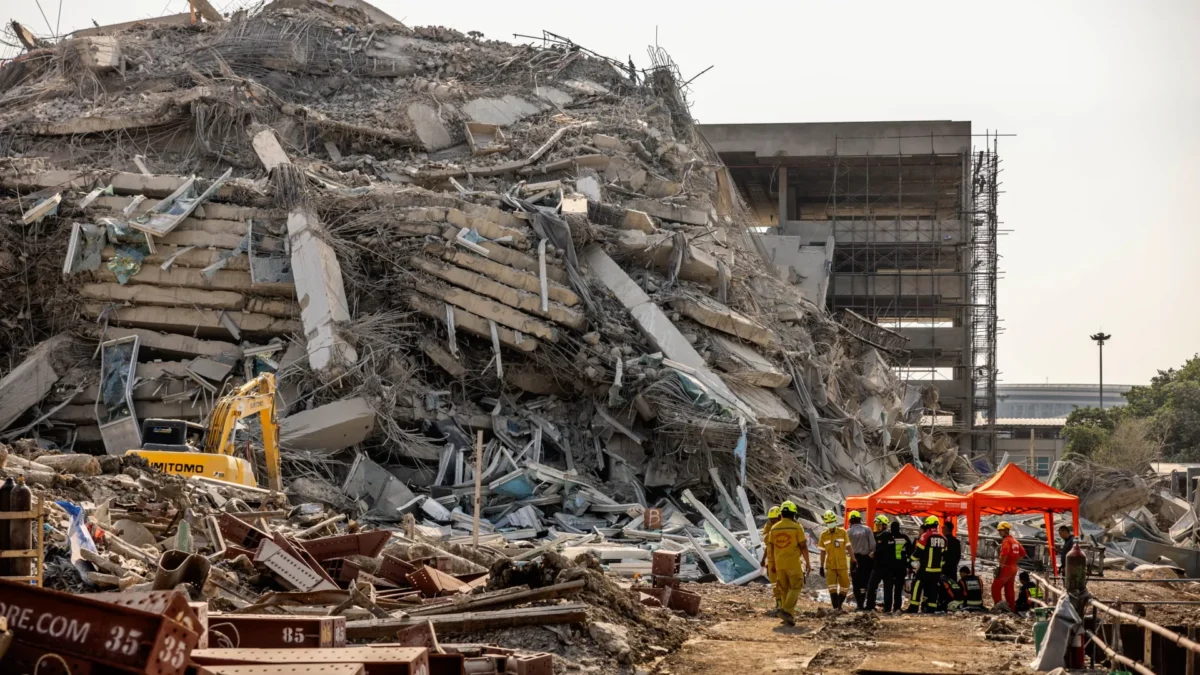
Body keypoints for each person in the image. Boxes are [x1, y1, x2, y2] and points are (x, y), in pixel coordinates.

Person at [768, 501, 811, 626]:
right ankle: (786, 610)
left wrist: (773, 564)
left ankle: (789, 616)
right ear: (793, 514)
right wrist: (808, 563)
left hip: (779, 563)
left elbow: (771, 547)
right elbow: (803, 546)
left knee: (784, 589)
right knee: (797, 586)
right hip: (793, 563)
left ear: (781, 514)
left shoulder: (774, 528)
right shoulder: (796, 527)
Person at [906, 516, 948, 613]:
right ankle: (931, 608)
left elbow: (918, 552)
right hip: (937, 570)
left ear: (928, 525)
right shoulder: (944, 538)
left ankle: (914, 607)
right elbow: (944, 556)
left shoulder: (925, 536)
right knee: (933, 589)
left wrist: (910, 561)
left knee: (917, 585)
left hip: (925, 569)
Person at [818, 510, 853, 611]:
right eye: (828, 523)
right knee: (832, 587)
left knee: (845, 585)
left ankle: (839, 605)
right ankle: (836, 607)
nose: (830, 524)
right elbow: (822, 552)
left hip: (842, 564)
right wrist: (821, 566)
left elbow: (849, 547)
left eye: (831, 522)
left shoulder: (842, 532)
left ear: (835, 521)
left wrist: (853, 559)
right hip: (830, 565)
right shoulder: (823, 535)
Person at [993, 521, 1026, 611]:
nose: (999, 532)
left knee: (995, 588)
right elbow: (1023, 553)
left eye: (1001, 530)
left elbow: (1005, 553)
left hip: (1006, 567)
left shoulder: (1006, 541)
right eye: (999, 530)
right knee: (1009, 589)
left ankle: (998, 607)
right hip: (1013, 567)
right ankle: (1012, 609)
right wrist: (1014, 561)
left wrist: (1001, 566)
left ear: (1006, 530)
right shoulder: (1014, 540)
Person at [847, 510, 876, 610]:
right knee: (866, 582)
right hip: (866, 560)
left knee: (856, 582)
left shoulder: (849, 532)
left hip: (854, 559)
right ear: (860, 519)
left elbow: (846, 547)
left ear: (850, 520)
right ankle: (866, 604)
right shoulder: (867, 529)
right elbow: (873, 545)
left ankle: (859, 605)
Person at [865, 515, 894, 612]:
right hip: (878, 566)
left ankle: (886, 607)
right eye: (876, 525)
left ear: (885, 525)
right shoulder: (876, 535)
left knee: (886, 588)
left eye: (879, 525)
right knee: (872, 586)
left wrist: (875, 554)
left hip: (884, 567)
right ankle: (870, 605)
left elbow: (884, 550)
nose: (877, 527)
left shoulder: (886, 535)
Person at [761, 506, 783, 616]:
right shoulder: (769, 527)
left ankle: (786, 605)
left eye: (775, 519)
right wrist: (763, 559)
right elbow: (766, 541)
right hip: (771, 559)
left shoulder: (786, 526)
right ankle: (779, 603)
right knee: (774, 583)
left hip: (783, 558)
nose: (772, 521)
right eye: (771, 519)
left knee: (784, 582)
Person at [886, 519, 912, 612]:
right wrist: (908, 565)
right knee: (898, 589)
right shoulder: (904, 537)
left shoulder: (888, 537)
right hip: (901, 567)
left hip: (889, 567)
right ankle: (897, 607)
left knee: (888, 589)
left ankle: (887, 607)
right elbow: (910, 551)